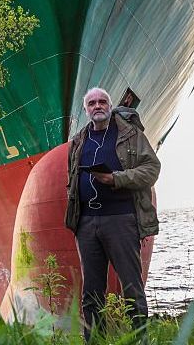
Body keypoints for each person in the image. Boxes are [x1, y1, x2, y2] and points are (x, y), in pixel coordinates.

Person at [64, 87, 160, 341]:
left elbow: (152, 168)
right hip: (87, 223)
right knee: (91, 292)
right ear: (85, 109)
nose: (98, 106)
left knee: (131, 286)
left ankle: (140, 339)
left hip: (121, 220)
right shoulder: (78, 141)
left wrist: (116, 178)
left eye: (102, 101)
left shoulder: (130, 134)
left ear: (110, 105)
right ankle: (94, 341)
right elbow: (71, 179)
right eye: (92, 103)